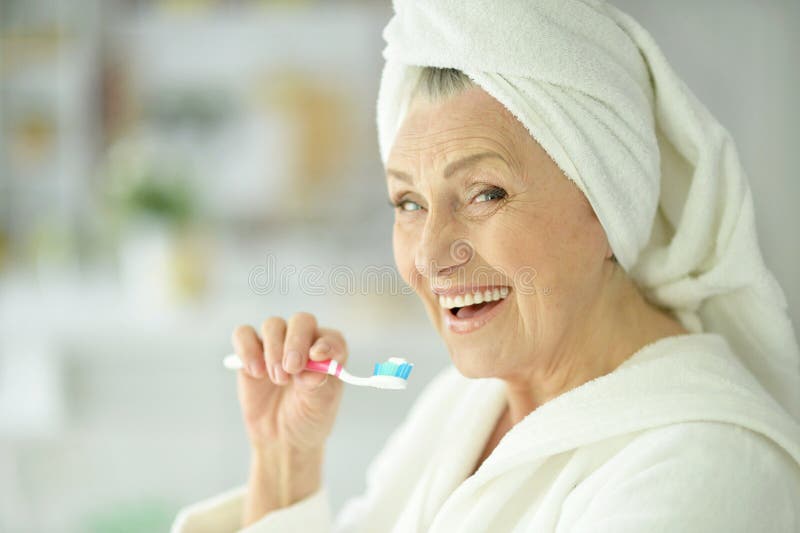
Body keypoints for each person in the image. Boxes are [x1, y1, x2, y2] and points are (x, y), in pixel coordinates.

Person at [171, 1, 800, 531]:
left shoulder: (701, 475)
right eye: (408, 202)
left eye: (485, 194)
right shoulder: (463, 406)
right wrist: (283, 467)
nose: (429, 254)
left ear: (608, 203)